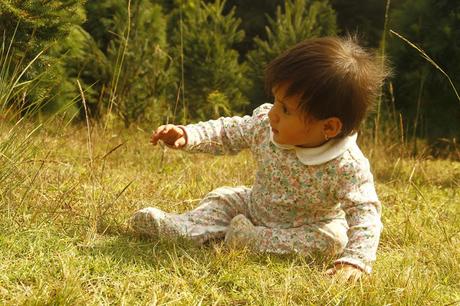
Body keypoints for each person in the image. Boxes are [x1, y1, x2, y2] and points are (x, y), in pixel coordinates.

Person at [130, 36, 389, 281]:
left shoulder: (346, 165)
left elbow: (364, 213)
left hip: (307, 226)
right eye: (276, 101)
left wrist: (356, 259)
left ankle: (249, 240)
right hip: (254, 205)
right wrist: (189, 135)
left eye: (286, 109)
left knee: (332, 240)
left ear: (329, 127)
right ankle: (178, 227)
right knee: (223, 198)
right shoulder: (266, 125)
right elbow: (227, 132)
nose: (273, 114)